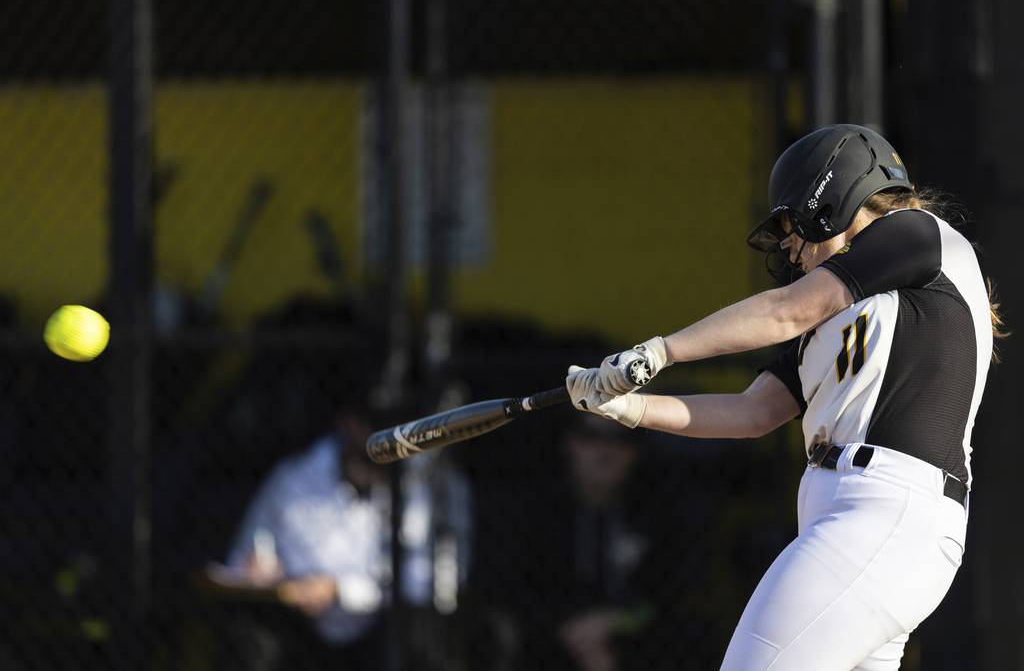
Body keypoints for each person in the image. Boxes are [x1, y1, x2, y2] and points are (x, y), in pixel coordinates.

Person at [565, 124, 1005, 670]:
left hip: (883, 511)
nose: (791, 247)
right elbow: (753, 411)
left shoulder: (915, 233)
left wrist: (659, 352)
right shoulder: (844, 318)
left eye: (792, 224)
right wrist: (630, 408)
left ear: (837, 190)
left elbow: (784, 310)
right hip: (863, 522)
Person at [212, 407, 472, 670]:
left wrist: (339, 589)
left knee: (422, 632)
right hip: (300, 625)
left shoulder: (429, 483)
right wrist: (261, 568)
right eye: (379, 427)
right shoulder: (292, 478)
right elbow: (244, 554)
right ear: (348, 424)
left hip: (379, 626)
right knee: (250, 637)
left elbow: (431, 585)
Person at [509, 417, 703, 671]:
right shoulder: (534, 516)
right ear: (569, 443)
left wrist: (612, 622)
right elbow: (514, 595)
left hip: (638, 647)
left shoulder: (660, 515)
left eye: (620, 439)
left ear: (636, 451)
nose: (605, 449)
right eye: (590, 436)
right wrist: (576, 630)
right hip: (552, 644)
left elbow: (674, 597)